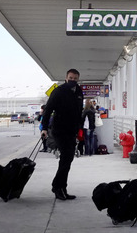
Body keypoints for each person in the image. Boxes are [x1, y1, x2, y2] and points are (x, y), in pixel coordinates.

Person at [41, 68, 84, 201]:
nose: (73, 80)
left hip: (72, 131)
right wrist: (44, 128)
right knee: (66, 158)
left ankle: (61, 187)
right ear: (66, 78)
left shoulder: (78, 91)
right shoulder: (58, 91)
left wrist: (79, 129)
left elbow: (78, 111)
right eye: (70, 78)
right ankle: (58, 187)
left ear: (78, 79)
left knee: (68, 159)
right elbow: (48, 110)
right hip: (60, 130)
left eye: (75, 78)